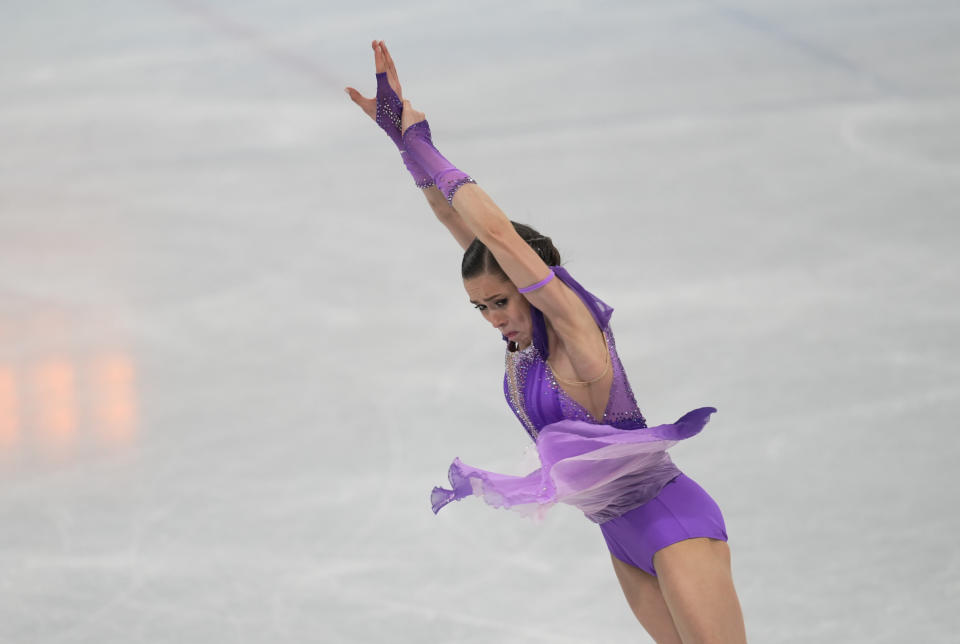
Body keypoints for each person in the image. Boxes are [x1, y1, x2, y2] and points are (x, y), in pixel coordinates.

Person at [347, 40, 747, 643]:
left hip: (671, 521)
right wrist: (405, 144)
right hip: (619, 531)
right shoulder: (527, 342)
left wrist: (427, 144)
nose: (492, 318)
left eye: (500, 301)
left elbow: (497, 233)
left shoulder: (575, 331)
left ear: (534, 287)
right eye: (479, 307)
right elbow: (459, 225)